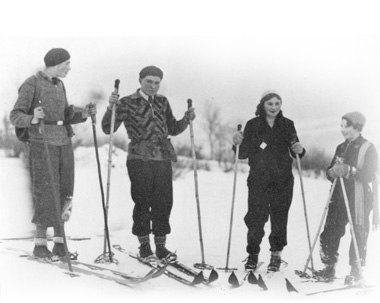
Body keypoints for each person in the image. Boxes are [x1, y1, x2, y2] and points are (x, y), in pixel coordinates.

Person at [10, 48, 96, 260]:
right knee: (45, 191)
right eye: (66, 63)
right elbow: (15, 115)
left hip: (63, 142)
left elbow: (65, 115)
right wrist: (32, 117)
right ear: (56, 64)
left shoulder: (59, 84)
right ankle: (40, 245)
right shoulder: (33, 83)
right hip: (42, 142)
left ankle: (59, 244)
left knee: (65, 191)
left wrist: (83, 113)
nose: (69, 67)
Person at [101, 65, 195, 260]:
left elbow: (173, 128)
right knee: (143, 201)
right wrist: (111, 107)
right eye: (149, 82)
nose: (153, 86)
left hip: (162, 158)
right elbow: (106, 128)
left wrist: (186, 120)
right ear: (140, 81)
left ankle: (161, 247)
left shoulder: (162, 101)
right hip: (139, 157)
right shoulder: (127, 102)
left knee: (164, 202)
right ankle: (144, 246)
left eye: (157, 83)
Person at [232, 91, 305, 272]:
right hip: (259, 179)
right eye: (270, 104)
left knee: (279, 218)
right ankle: (253, 255)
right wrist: (236, 143)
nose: (274, 107)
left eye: (277, 103)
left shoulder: (288, 124)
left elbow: (297, 151)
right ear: (263, 105)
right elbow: (242, 154)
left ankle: (276, 255)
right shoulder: (253, 124)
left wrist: (299, 148)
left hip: (283, 180)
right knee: (256, 218)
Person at [316, 112, 378, 284]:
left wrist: (350, 170)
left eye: (346, 126)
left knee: (358, 232)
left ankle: (356, 271)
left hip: (358, 196)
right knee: (330, 232)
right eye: (341, 126)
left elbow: (371, 175)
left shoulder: (368, 147)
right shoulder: (341, 147)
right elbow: (329, 172)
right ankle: (329, 268)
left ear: (357, 126)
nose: (342, 130)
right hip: (338, 195)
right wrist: (332, 172)